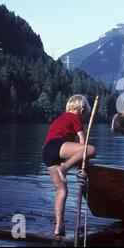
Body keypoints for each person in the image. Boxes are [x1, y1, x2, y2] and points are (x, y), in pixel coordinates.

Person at [42, 94, 96, 236]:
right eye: (84, 114)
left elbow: (74, 152)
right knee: (91, 149)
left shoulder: (60, 118)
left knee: (61, 191)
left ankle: (59, 226)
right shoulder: (76, 118)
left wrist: (79, 164)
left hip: (47, 151)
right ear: (82, 109)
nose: (83, 116)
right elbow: (83, 144)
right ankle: (64, 168)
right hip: (58, 146)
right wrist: (80, 164)